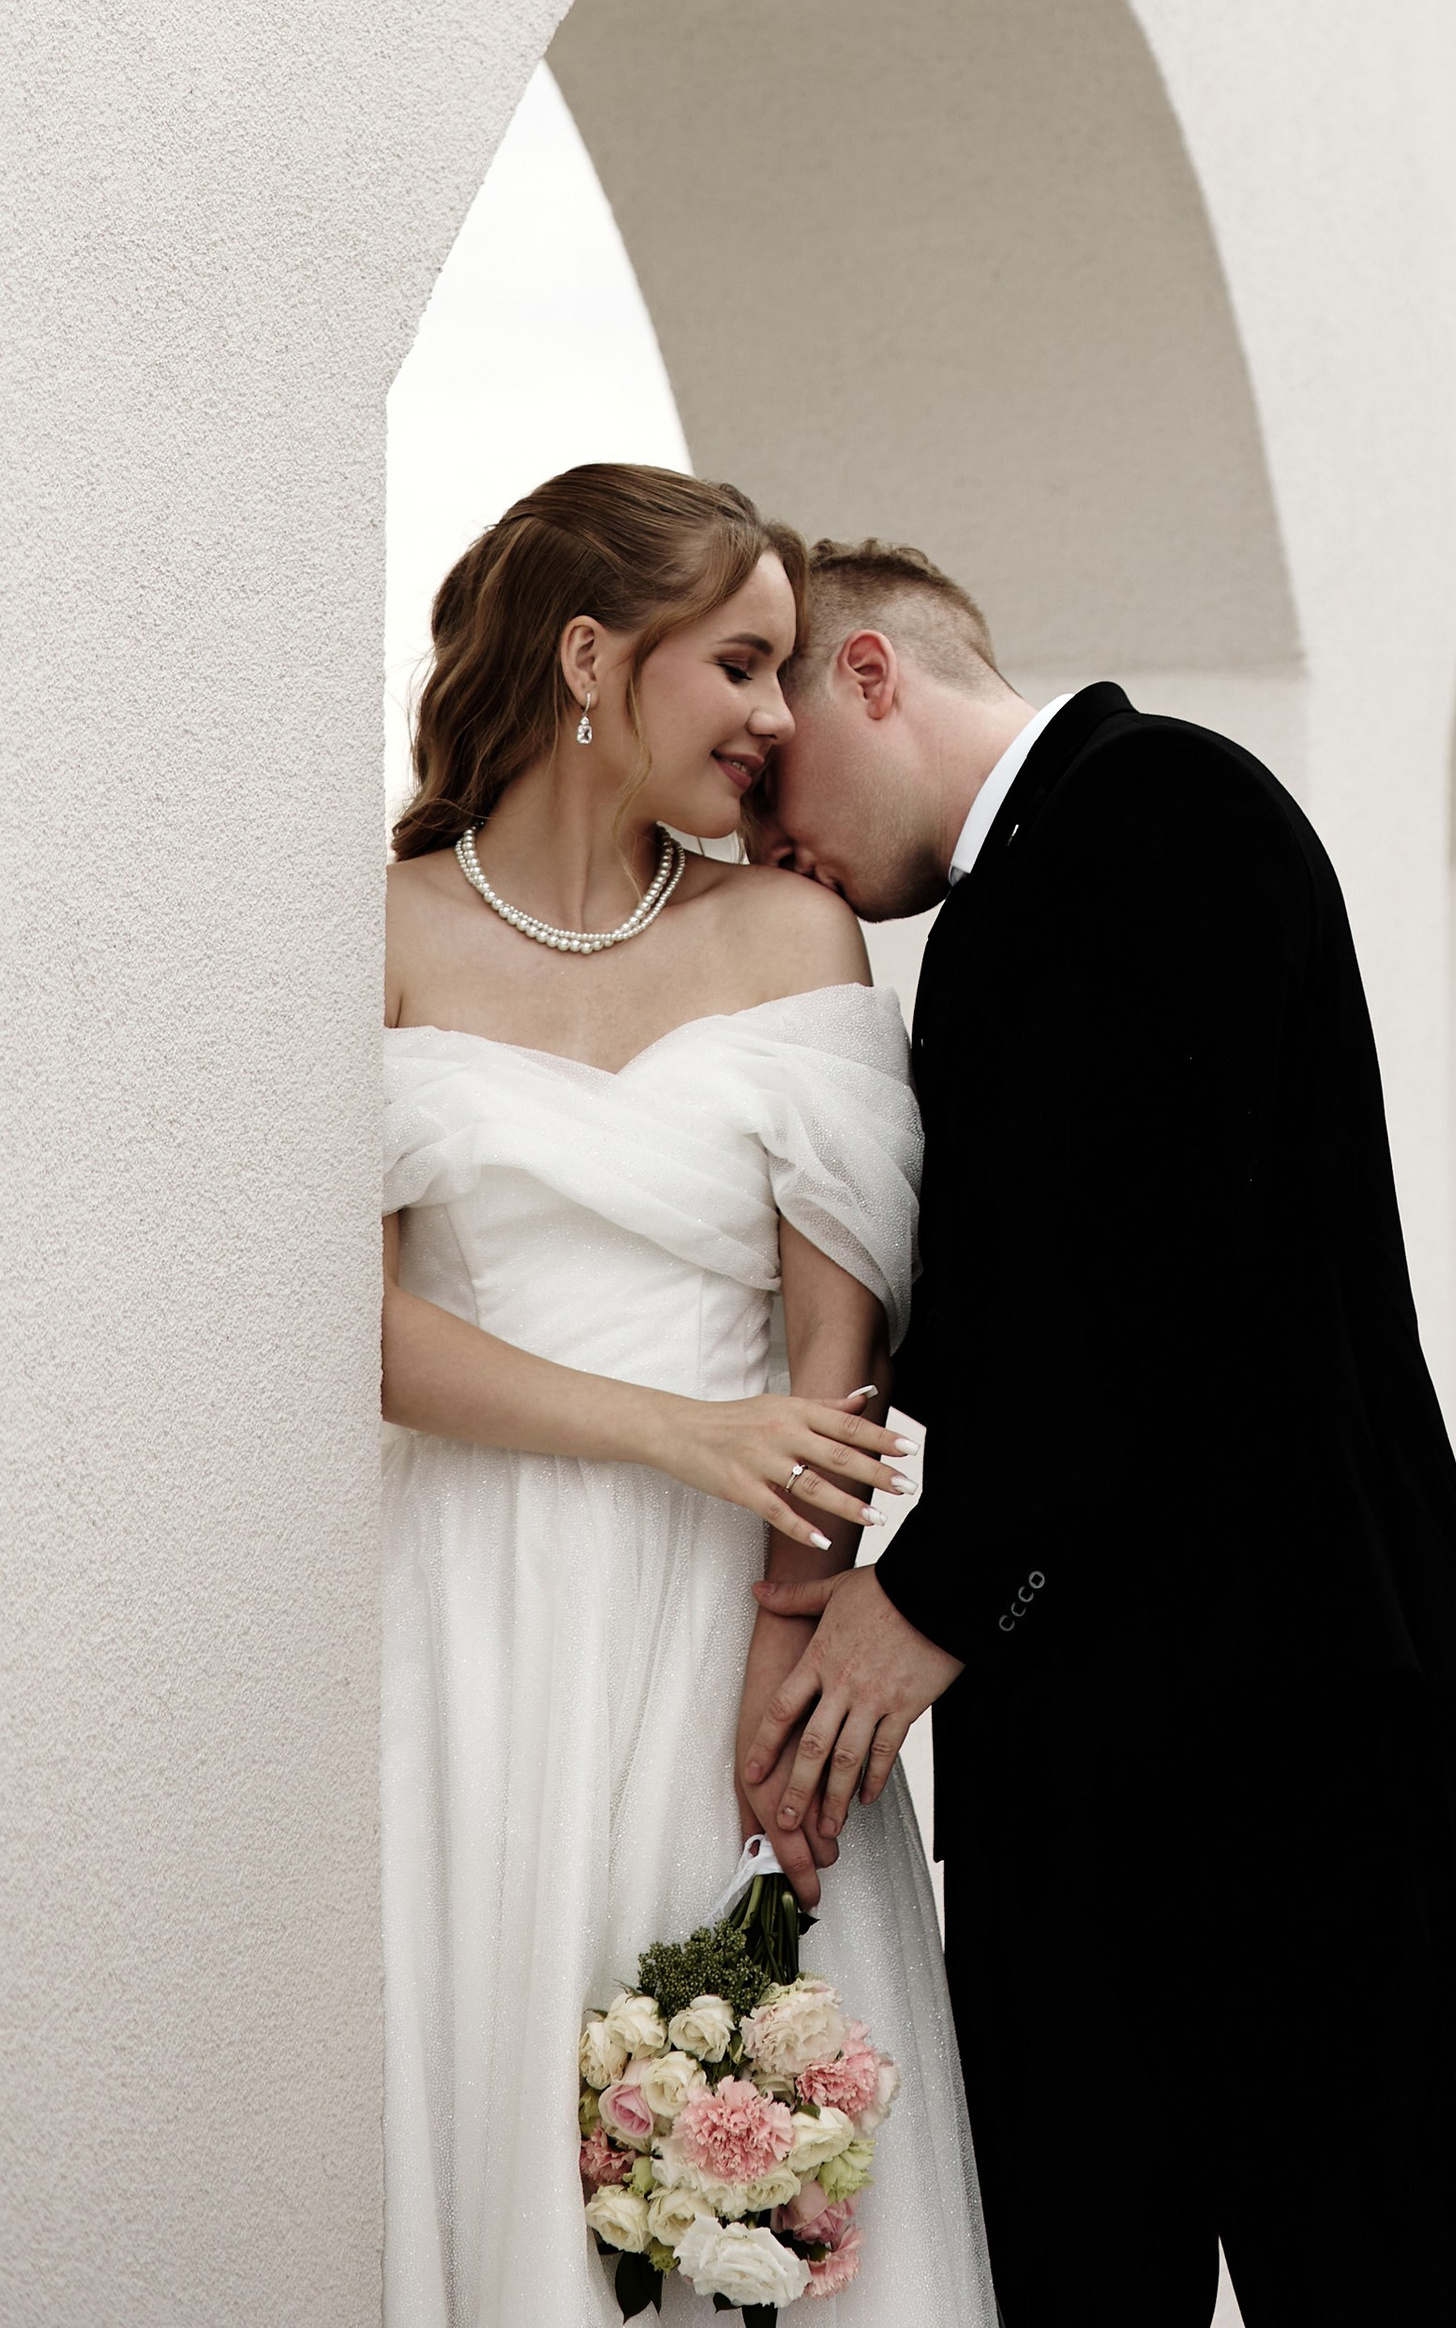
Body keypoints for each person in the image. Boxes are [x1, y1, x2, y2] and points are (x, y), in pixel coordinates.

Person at [746, 538, 1456, 2328]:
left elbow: (1168, 1284)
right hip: (1080, 1753)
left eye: (775, 783)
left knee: (1361, 2270)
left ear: (871, 675)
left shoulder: (1170, 808)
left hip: (1288, 1735)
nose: (770, 841)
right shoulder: (1008, 899)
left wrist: (932, 1598)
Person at [380, 465, 998, 2328]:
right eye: (737, 664)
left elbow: (840, 1339)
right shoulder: (378, 931)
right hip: (468, 1611)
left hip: (728, 1618)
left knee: (751, 2118)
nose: (774, 718)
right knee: (490, 2093)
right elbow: (363, 1339)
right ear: (592, 659)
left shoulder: (792, 939)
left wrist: (791, 1612)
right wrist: (680, 1430)